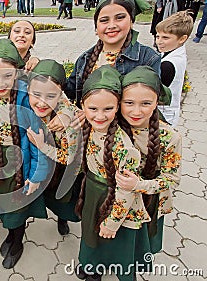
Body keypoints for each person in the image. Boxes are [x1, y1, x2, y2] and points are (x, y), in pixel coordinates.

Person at [0, 39, 49, 269]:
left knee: (18, 206)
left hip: (22, 162)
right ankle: (10, 233)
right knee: (4, 206)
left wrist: (38, 175)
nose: (0, 83)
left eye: (7, 76)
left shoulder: (27, 99)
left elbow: (39, 141)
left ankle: (17, 241)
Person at [75, 65, 151, 281]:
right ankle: (92, 265)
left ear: (117, 107)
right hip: (93, 192)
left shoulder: (124, 147)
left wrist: (112, 222)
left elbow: (126, 192)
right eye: (93, 109)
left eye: (108, 109)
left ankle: (117, 270)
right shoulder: (87, 128)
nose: (100, 116)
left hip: (116, 202)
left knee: (111, 239)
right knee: (91, 232)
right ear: (83, 106)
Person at [118, 66, 181, 255]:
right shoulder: (112, 125)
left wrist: (140, 184)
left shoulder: (170, 137)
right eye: (128, 102)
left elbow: (172, 179)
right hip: (116, 198)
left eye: (146, 103)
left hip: (148, 199)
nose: (136, 111)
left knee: (135, 246)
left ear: (156, 103)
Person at [65, 0, 160, 106]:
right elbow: (69, 93)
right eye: (104, 20)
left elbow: (149, 104)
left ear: (131, 22)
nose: (111, 25)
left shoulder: (148, 58)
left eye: (120, 18)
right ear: (96, 27)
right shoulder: (84, 59)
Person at [26, 60, 82, 236]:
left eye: (51, 96)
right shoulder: (27, 105)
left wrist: (42, 146)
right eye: (36, 94)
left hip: (65, 170)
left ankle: (62, 219)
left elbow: (68, 158)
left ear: (60, 96)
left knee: (63, 202)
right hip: (45, 166)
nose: (42, 103)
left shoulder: (68, 124)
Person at [155, 11, 193, 127]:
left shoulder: (168, 65)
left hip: (163, 115)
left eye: (165, 38)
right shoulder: (173, 51)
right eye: (157, 36)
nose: (159, 42)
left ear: (182, 39)